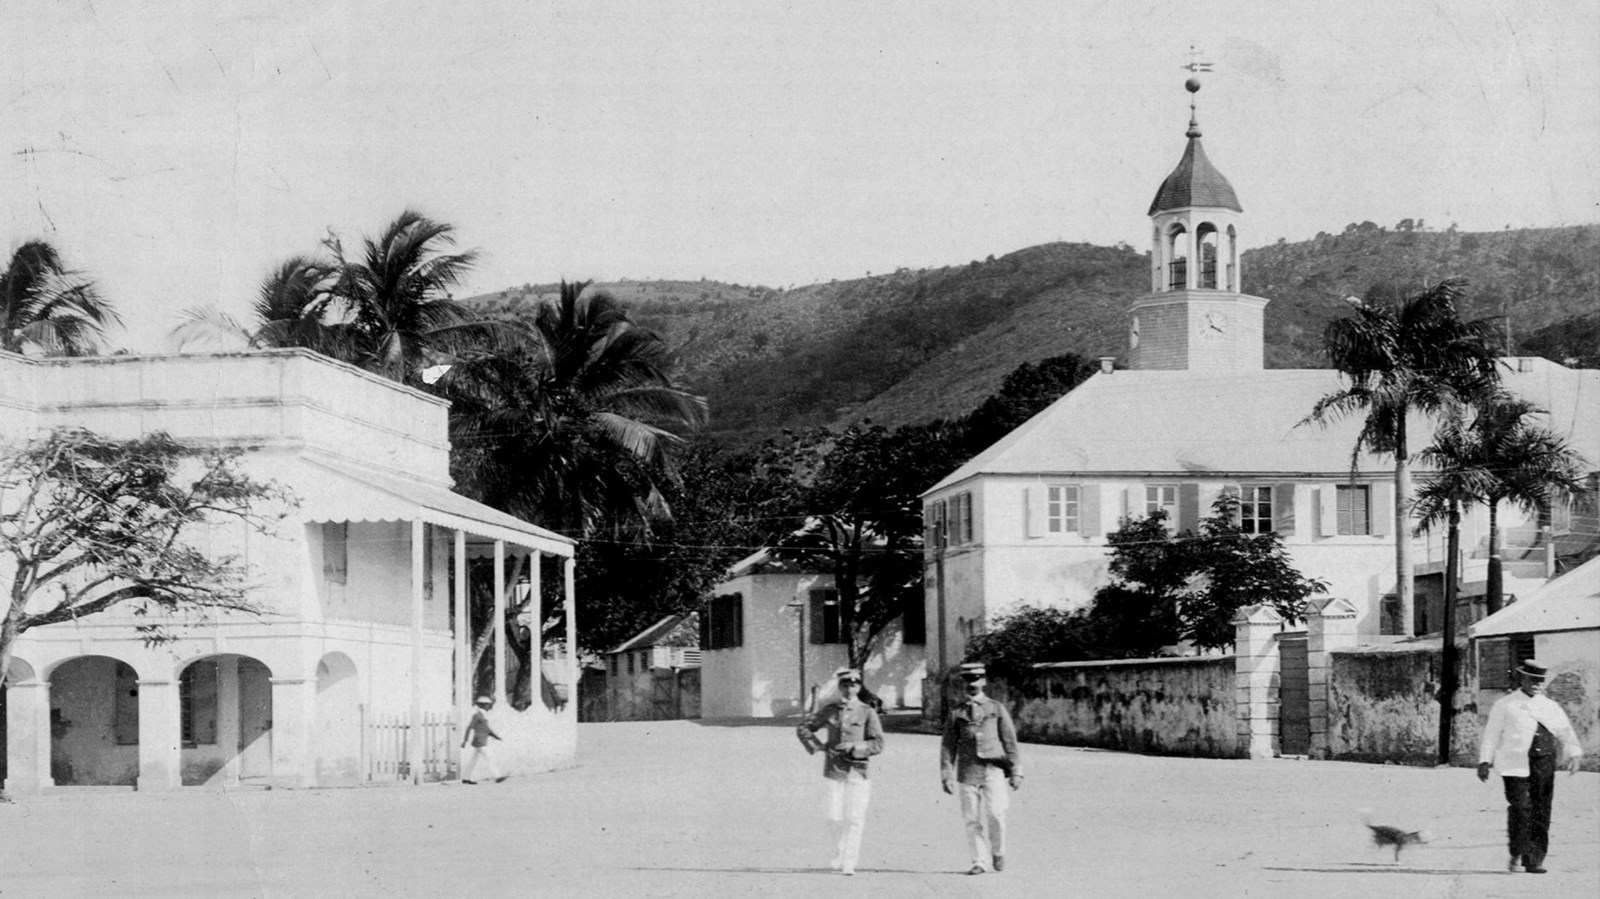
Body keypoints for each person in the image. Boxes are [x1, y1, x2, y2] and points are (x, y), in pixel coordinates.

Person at [1477, 658, 1583, 874]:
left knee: (1541, 810)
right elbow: (1492, 734)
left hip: (1543, 762)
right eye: (1532, 679)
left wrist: (1574, 754)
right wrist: (1485, 760)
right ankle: (1517, 852)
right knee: (1520, 808)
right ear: (1522, 678)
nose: (1537, 684)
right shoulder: (1505, 705)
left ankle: (1534, 859)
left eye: (1540, 681)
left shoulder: (1550, 706)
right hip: (1514, 763)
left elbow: (1565, 731)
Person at [796, 668, 884, 876]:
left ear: (859, 687)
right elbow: (804, 728)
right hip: (834, 770)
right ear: (840, 687)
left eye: (853, 685)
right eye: (845, 685)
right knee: (833, 816)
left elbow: (878, 743)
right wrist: (818, 746)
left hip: (857, 770)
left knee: (854, 818)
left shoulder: (867, 712)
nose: (849, 689)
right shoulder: (830, 710)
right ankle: (841, 851)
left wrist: (856, 747)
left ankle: (849, 861)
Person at [940, 662, 1022, 875]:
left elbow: (1010, 741)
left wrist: (1016, 771)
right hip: (968, 772)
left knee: (996, 813)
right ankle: (979, 861)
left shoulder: (995, 708)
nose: (972, 684)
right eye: (968, 680)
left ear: (983, 681)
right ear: (963, 683)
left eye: (976, 679)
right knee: (971, 819)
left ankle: (998, 851)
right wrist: (946, 774)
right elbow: (948, 745)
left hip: (993, 769)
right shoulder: (956, 712)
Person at [460, 695, 507, 784]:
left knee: (473, 760)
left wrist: (495, 736)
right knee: (489, 757)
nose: (489, 706)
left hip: (481, 741)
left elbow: (486, 729)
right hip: (479, 741)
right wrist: (465, 741)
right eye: (487, 705)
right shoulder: (477, 715)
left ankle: (466, 778)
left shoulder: (483, 715)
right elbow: (469, 727)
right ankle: (498, 776)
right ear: (482, 705)